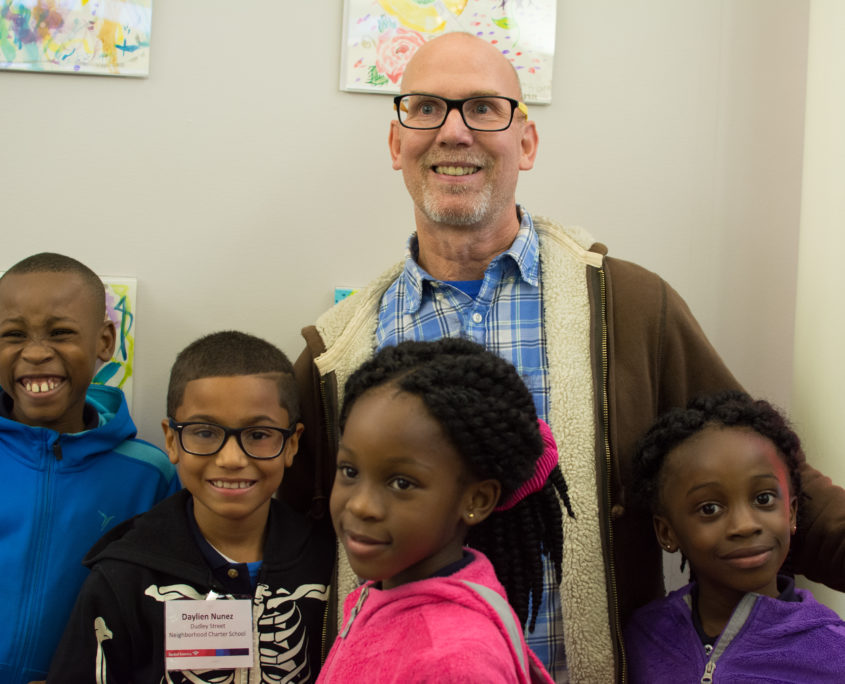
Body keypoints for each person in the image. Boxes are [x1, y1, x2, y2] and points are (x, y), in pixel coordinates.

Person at [280, 31, 845, 682]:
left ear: (525, 142)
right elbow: (279, 529)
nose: (454, 132)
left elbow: (765, 471)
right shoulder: (338, 349)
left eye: (483, 109)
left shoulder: (630, 308)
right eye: (426, 108)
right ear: (395, 142)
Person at [48, 331, 334, 683]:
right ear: (171, 440)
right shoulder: (124, 575)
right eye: (205, 433)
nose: (232, 459)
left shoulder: (330, 564)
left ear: (291, 444)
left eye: (259, 435)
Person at [318, 338, 570, 683]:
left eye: (401, 483)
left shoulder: (453, 662)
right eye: (349, 471)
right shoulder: (382, 591)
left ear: (476, 501)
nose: (361, 504)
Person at [0, 252, 179, 684]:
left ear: (104, 341)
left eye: (61, 333)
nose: (37, 353)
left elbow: (162, 610)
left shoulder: (151, 476)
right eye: (13, 334)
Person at [625, 390, 845, 682]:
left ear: (791, 513)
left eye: (764, 499)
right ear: (667, 532)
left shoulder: (833, 650)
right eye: (710, 508)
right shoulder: (642, 636)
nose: (745, 525)